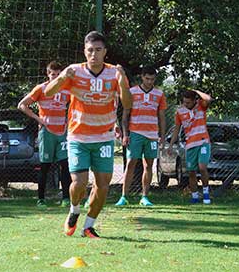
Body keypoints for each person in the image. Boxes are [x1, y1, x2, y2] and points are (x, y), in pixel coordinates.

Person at [44, 31, 131, 238]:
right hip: (78, 137)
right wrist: (63, 77)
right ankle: (74, 210)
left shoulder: (114, 73)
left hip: (104, 138)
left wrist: (122, 82)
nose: (94, 54)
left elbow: (128, 104)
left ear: (105, 52)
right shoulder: (74, 71)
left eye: (98, 50)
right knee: (79, 183)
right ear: (85, 51)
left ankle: (88, 226)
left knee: (102, 186)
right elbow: (48, 93)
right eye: (90, 50)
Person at [18, 61, 72, 208]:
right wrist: (38, 119)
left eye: (58, 74)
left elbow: (75, 105)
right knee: (45, 166)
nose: (55, 77)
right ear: (48, 75)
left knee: (65, 165)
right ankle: (41, 199)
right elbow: (22, 105)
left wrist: (69, 120)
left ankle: (66, 198)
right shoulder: (41, 89)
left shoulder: (67, 89)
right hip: (46, 132)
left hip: (62, 132)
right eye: (52, 74)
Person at [115, 66, 167, 206]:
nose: (149, 81)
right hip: (135, 133)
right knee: (131, 163)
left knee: (149, 165)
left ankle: (144, 197)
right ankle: (124, 197)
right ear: (142, 77)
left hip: (152, 135)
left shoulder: (159, 94)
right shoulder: (131, 92)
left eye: (152, 79)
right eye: (147, 78)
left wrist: (161, 136)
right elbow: (125, 116)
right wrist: (125, 135)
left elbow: (162, 116)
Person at [168, 89, 213, 204]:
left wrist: (197, 91)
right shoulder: (179, 112)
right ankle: (194, 196)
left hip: (203, 142)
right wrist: (171, 145)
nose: (186, 104)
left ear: (194, 101)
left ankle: (206, 193)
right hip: (190, 144)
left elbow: (208, 99)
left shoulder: (201, 106)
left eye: (188, 102)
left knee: (202, 167)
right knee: (191, 171)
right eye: (184, 102)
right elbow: (177, 129)